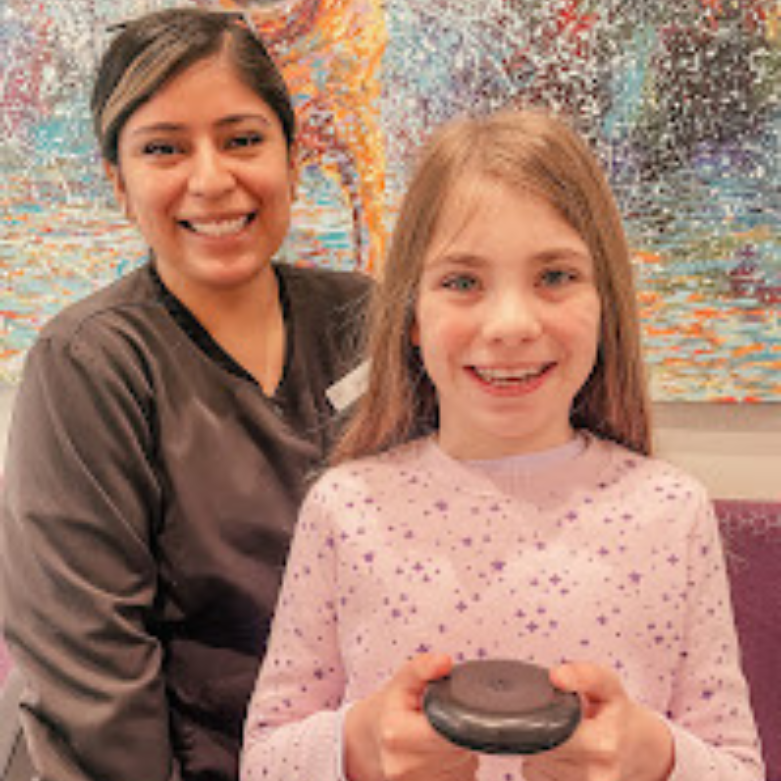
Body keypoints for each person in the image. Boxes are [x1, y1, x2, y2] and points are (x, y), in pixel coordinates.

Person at [241, 108, 764, 781]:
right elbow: (263, 759)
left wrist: (656, 757)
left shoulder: (671, 511)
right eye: (462, 282)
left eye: (555, 276)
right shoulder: (346, 508)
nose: (510, 324)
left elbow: (738, 766)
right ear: (411, 314)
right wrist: (356, 744)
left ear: (605, 301)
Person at [0, 8, 371, 781]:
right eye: (163, 148)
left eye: (242, 140)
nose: (211, 179)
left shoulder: (364, 321)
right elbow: (94, 682)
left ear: (293, 157)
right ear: (118, 182)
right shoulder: (89, 364)